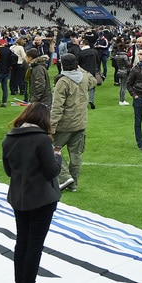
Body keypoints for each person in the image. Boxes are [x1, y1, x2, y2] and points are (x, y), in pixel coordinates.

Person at [2, 102, 63, 283]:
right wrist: (58, 156)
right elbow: (52, 171)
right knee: (34, 245)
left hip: (19, 198)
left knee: (22, 242)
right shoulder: (42, 139)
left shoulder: (9, 138)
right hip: (41, 200)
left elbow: (8, 171)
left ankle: (20, 281)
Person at [51, 52, 90, 191]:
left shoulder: (63, 81)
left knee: (52, 149)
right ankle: (73, 184)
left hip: (65, 124)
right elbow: (93, 80)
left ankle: (66, 177)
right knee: (76, 154)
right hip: (80, 122)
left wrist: (51, 126)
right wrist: (80, 69)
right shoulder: (84, 77)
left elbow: (57, 106)